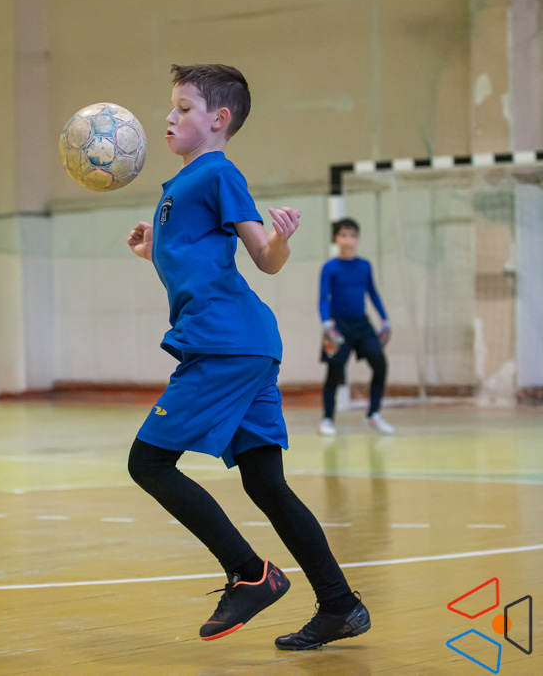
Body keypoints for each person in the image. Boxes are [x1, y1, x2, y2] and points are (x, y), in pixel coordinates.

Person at [125, 64, 370, 651]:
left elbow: (265, 257)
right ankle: (340, 606)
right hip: (246, 344)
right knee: (266, 484)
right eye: (172, 106)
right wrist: (153, 251)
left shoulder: (218, 172)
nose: (169, 117)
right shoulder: (184, 183)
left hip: (225, 345)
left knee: (149, 463)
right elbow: (197, 261)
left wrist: (280, 237)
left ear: (219, 119)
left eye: (183, 107)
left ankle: (250, 574)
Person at [318, 218, 394, 435]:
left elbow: (373, 293)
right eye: (343, 235)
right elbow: (323, 299)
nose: (348, 240)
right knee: (334, 373)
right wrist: (326, 324)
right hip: (338, 325)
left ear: (358, 239)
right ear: (336, 238)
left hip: (362, 324)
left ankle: (373, 414)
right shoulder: (329, 268)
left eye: (352, 236)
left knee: (380, 364)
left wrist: (385, 319)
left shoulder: (365, 266)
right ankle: (327, 419)